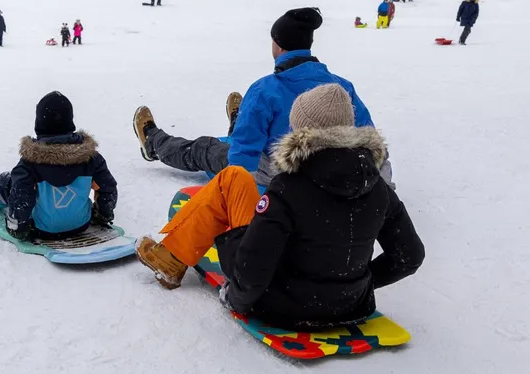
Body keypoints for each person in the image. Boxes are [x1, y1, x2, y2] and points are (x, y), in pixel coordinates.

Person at [136, 85, 424, 330]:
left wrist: (234, 299)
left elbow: (253, 266)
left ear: (303, 131)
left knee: (232, 179)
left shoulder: (290, 186)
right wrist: (359, 286)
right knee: (236, 179)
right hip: (352, 307)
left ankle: (173, 256)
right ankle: (173, 253)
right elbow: (409, 256)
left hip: (280, 307)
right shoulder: (378, 187)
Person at [131, 8, 392, 188]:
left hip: (278, 173)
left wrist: (237, 185)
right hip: (333, 171)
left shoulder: (266, 88)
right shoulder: (341, 87)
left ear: (277, 45)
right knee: (252, 123)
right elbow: (367, 136)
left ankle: (154, 143)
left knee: (205, 148)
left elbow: (243, 156)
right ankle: (242, 118)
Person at [0, 92, 117, 241]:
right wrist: (102, 215)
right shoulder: (92, 159)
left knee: (7, 184)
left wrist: (17, 227)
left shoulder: (29, 165)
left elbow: (21, 198)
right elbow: (107, 189)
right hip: (81, 225)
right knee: (20, 182)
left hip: (42, 229)